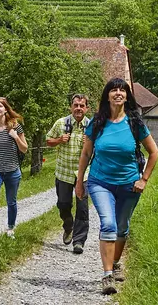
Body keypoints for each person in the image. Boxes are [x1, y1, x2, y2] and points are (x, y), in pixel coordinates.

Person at [75, 77, 158, 295]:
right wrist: (80, 181)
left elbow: (154, 152)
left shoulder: (135, 122)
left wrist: (144, 179)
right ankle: (107, 275)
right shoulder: (98, 122)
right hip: (100, 182)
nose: (118, 93)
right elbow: (86, 153)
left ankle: (115, 262)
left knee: (122, 227)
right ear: (108, 95)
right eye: (114, 90)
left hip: (129, 185)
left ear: (127, 96)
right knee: (108, 224)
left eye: (122, 90)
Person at [46, 94, 90, 254]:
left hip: (83, 174)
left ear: (87, 108)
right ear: (71, 107)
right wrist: (59, 140)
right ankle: (68, 225)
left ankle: (79, 241)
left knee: (83, 209)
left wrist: (90, 144)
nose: (78, 108)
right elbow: (47, 140)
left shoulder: (91, 126)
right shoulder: (61, 123)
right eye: (76, 105)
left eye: (82, 105)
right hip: (63, 172)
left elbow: (100, 147)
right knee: (63, 205)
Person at [0, 97, 28, 239]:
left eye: (0, 106)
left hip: (12, 171)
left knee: (11, 201)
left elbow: (25, 149)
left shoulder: (15, 126)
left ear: (5, 109)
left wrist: (15, 137)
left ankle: (10, 228)